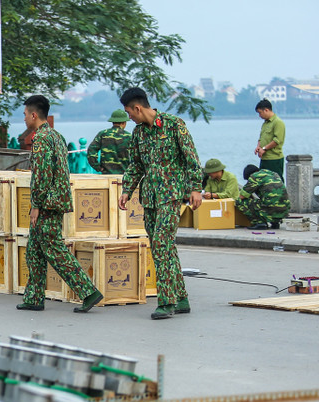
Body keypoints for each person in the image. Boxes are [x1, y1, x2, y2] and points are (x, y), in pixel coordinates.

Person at [118, 87, 202, 320]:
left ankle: (166, 302)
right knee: (161, 247)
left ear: (138, 107)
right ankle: (182, 298)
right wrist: (127, 190)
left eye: (129, 112)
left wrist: (195, 188)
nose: (129, 117)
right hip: (150, 198)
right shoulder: (138, 134)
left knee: (162, 244)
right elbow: (135, 165)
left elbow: (191, 159)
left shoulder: (174, 125)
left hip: (171, 196)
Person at [16, 95, 103, 313]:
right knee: (34, 251)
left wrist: (36, 204)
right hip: (54, 199)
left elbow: (43, 174)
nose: (24, 118)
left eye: (25, 114)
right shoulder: (56, 136)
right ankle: (34, 298)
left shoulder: (42, 139)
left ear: (34, 115)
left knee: (54, 249)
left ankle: (88, 291)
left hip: (47, 203)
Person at [238, 164, 290, 230]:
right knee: (268, 199)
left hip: (270, 209)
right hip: (284, 210)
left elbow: (242, 196)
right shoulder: (273, 174)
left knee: (239, 201)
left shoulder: (254, 176)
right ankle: (275, 222)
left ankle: (259, 223)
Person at [86, 109, 132, 174]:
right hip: (124, 174)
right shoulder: (129, 136)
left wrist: (97, 167)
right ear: (123, 123)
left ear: (113, 122)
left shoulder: (103, 134)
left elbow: (91, 150)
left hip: (106, 174)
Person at [255, 99, 285, 181]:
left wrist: (264, 148)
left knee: (276, 181)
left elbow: (277, 140)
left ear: (266, 110)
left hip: (274, 158)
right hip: (264, 158)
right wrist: (258, 147)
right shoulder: (265, 123)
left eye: (260, 113)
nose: (259, 115)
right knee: (263, 181)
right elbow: (261, 138)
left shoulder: (278, 122)